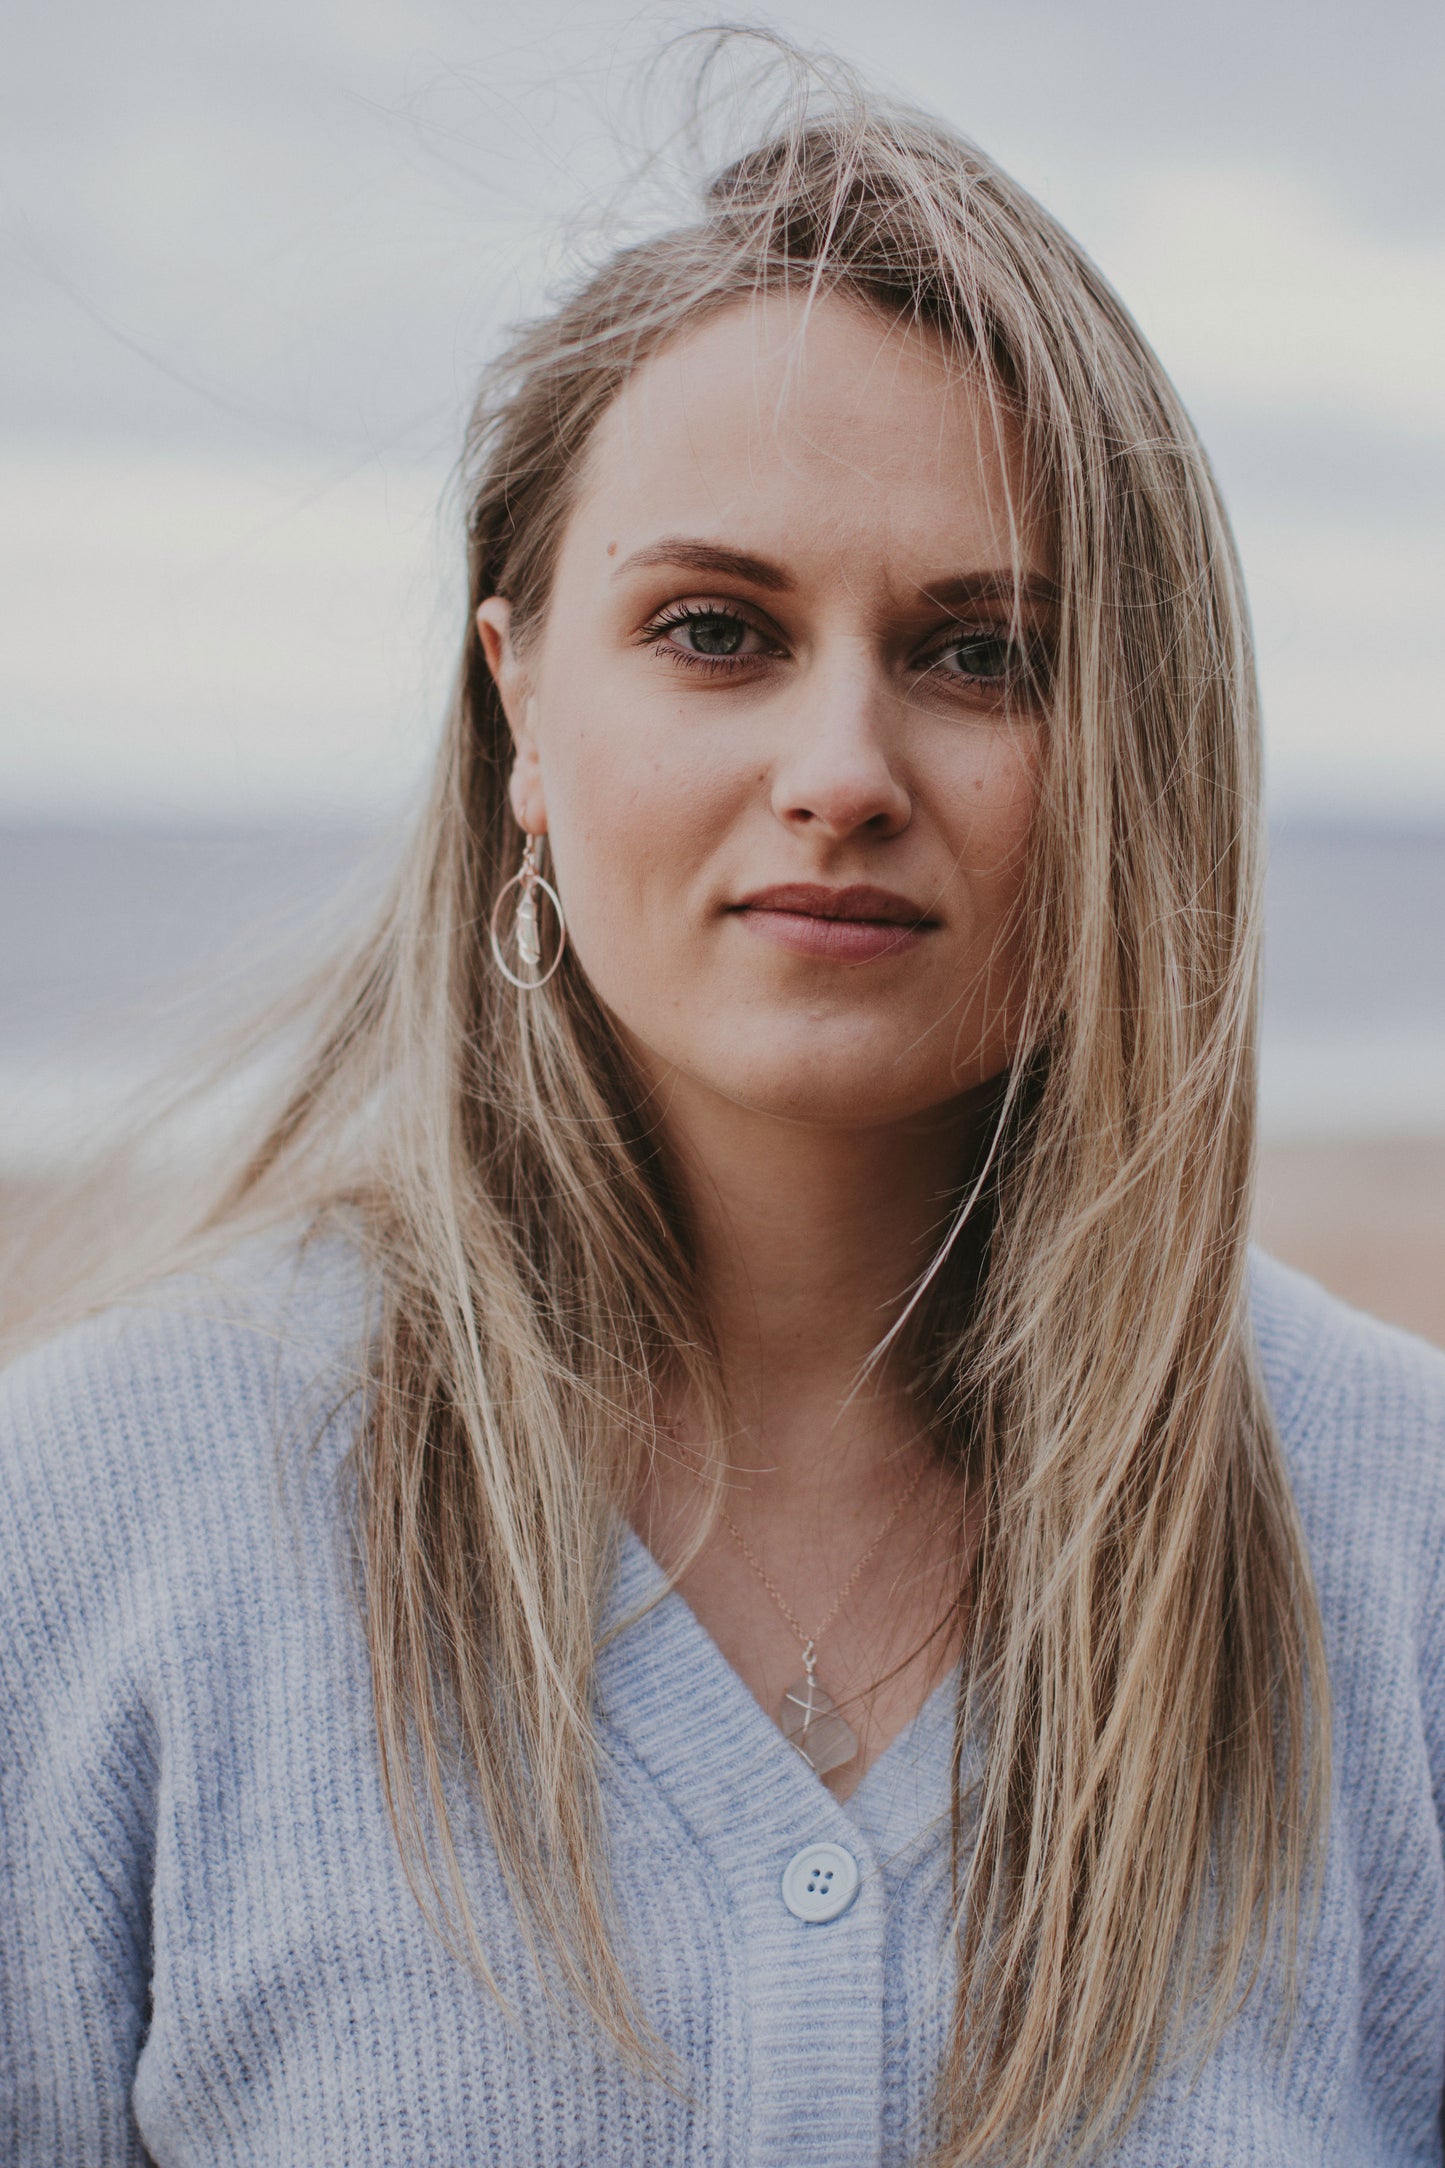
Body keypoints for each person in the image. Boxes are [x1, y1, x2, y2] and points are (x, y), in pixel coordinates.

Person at [4, 45, 1445, 2168]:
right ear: (519, 700)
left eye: (983, 652)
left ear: (1137, 745)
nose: (845, 765)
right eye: (715, 628)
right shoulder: (93, 1531)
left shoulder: (1395, 1545)